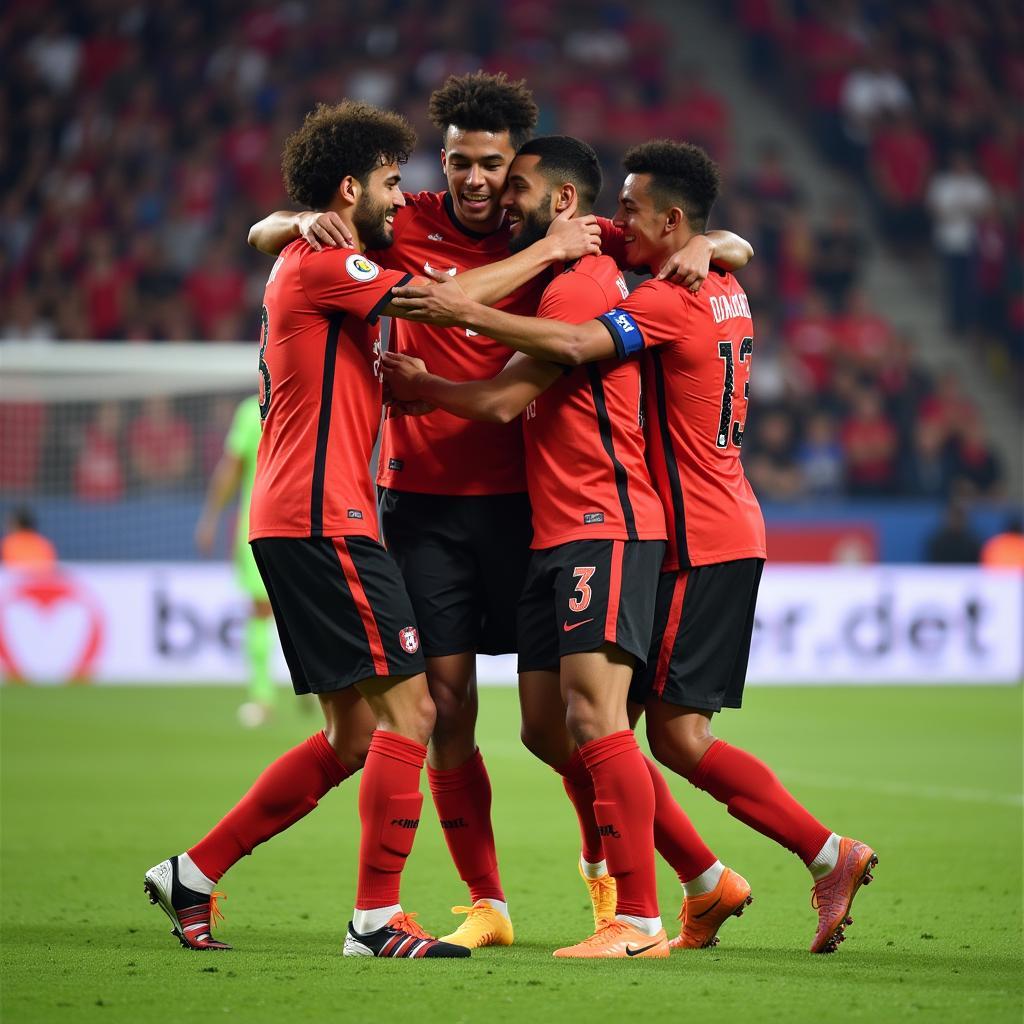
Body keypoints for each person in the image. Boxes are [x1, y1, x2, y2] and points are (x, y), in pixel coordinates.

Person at [248, 71, 752, 949]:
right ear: (440, 163)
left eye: (492, 165)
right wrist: (295, 220)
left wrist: (712, 243)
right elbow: (269, 232)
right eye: (458, 163)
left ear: (520, 167)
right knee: (441, 713)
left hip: (530, 508)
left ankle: (630, 889)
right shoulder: (402, 220)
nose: (476, 180)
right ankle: (488, 902)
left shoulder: (555, 228)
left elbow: (714, 239)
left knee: (561, 725)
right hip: (422, 506)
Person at [389, 138, 878, 956]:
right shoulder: (676, 268)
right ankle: (710, 879)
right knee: (555, 727)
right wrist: (709, 243)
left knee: (647, 730)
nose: (619, 220)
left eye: (631, 210)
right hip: (593, 529)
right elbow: (526, 385)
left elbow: (563, 358)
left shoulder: (641, 293)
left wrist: (459, 318)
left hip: (646, 526)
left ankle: (657, 911)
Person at [145, 100, 497, 960]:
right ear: (349, 186)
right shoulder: (326, 258)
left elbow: (279, 234)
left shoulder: (306, 252)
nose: (398, 195)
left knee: (350, 734)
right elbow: (437, 304)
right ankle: (375, 921)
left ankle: (192, 874)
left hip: (303, 516)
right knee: (412, 711)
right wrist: (553, 253)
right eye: (387, 181)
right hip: (323, 518)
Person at [194, 394, 277, 726]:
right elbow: (232, 467)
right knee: (271, 609)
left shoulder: (251, 409)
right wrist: (211, 518)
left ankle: (262, 698)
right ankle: (266, 696)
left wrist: (210, 518)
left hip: (262, 523)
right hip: (288, 521)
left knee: (262, 610)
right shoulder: (255, 409)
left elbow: (230, 467)